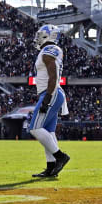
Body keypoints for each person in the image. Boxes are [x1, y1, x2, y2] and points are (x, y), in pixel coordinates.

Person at [28, 24, 71, 178]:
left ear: (49, 35)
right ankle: (51, 168)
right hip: (50, 92)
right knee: (49, 132)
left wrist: (47, 98)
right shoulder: (46, 51)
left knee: (34, 128)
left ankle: (60, 157)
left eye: (41, 34)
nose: (38, 37)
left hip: (51, 92)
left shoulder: (49, 50)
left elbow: (53, 76)